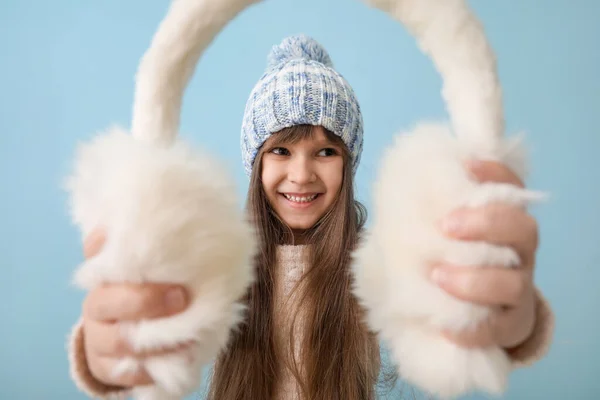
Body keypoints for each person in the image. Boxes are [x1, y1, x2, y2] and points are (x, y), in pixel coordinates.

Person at [67, 34, 554, 399]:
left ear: (349, 164)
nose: (300, 175)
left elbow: (465, 306)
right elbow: (139, 328)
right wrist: (100, 355)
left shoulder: (376, 261)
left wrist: (518, 326)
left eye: (325, 152)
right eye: (281, 149)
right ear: (256, 165)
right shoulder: (218, 262)